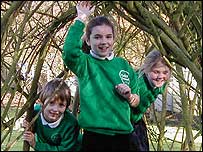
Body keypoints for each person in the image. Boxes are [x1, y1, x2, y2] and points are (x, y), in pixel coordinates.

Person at [62, 1, 140, 151]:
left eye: (108, 37)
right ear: (88, 41)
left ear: (113, 39)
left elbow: (136, 101)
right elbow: (69, 51)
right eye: (97, 37)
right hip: (95, 137)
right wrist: (81, 19)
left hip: (123, 137)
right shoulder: (85, 63)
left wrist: (129, 96)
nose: (104, 42)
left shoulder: (123, 65)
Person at [115, 49, 171, 151]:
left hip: (137, 120)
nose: (160, 76)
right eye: (156, 72)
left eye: (165, 72)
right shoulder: (138, 85)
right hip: (122, 123)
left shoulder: (162, 82)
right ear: (146, 70)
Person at [22, 78, 81, 151]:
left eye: (61, 105)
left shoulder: (70, 123)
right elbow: (34, 126)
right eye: (51, 103)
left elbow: (65, 150)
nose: (55, 109)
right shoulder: (36, 112)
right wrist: (30, 127)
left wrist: (36, 145)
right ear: (41, 103)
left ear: (66, 107)